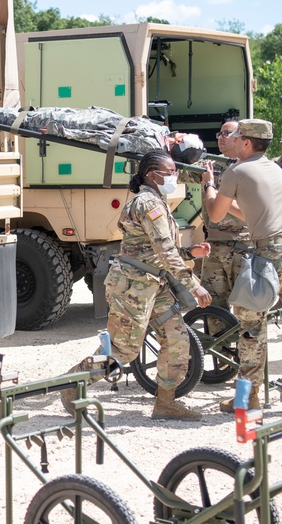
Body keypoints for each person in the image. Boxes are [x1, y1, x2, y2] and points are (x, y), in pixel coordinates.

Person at [60, 150, 212, 421]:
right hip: (132, 286)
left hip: (155, 283)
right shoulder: (147, 204)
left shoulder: (157, 201)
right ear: (152, 175)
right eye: (169, 172)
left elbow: (154, 248)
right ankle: (72, 385)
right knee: (124, 349)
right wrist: (193, 285)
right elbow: (163, 249)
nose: (174, 176)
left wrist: (190, 253)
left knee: (177, 338)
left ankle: (165, 402)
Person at [201, 119, 282, 411]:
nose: (230, 140)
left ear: (246, 143)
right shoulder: (274, 168)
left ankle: (249, 394)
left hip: (271, 254)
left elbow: (216, 214)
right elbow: (250, 213)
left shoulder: (235, 171)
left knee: (251, 325)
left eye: (235, 136)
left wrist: (210, 185)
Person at [0, 86, 206, 165]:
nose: (181, 132)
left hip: (82, 126)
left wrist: (63, 133)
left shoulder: (151, 146)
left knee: (31, 121)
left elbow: (106, 142)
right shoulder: (161, 134)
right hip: (91, 117)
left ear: (178, 143)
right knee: (35, 114)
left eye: (184, 136)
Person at [197, 119, 251, 311]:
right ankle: (220, 342)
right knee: (214, 309)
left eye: (226, 133)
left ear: (240, 138)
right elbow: (177, 170)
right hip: (214, 247)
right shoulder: (209, 165)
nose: (221, 137)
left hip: (244, 247)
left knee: (247, 308)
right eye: (220, 134)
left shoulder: (250, 168)